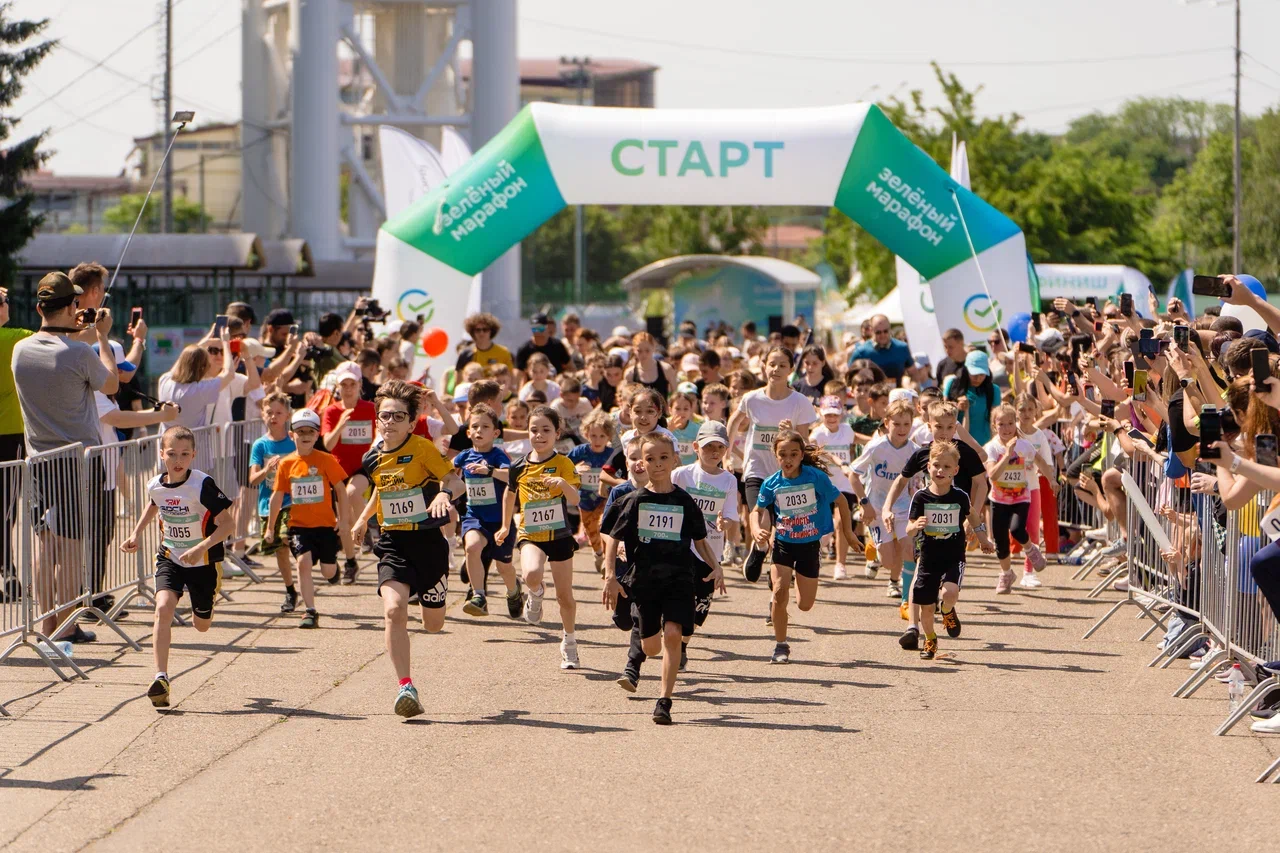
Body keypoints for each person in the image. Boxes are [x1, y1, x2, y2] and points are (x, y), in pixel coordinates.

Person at [12, 272, 120, 645]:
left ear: (40, 307)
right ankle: (66, 625)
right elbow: (111, 382)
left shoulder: (21, 350)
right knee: (72, 546)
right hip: (76, 460)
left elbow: (56, 350)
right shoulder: (79, 352)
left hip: (38, 458)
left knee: (46, 544)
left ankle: (46, 625)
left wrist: (78, 332)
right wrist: (102, 336)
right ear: (73, 306)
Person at [350, 379, 462, 719]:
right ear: (377, 420)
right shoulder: (371, 458)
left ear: (412, 423)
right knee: (394, 611)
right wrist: (362, 520)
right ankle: (405, 686)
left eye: (399, 417)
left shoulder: (424, 448)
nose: (390, 422)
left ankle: (436, 593)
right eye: (385, 416)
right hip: (393, 542)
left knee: (433, 625)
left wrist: (444, 494)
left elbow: (453, 479)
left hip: (427, 543)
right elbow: (382, 491)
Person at [603, 432, 722, 724]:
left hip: (680, 578)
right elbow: (612, 538)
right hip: (645, 582)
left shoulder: (684, 501)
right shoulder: (634, 501)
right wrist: (609, 576)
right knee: (650, 647)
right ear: (642, 463)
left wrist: (716, 566)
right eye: (651, 459)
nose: (657, 464)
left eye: (663, 458)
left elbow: (701, 540)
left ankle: (664, 701)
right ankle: (644, 640)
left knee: (673, 634)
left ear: (674, 460)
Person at [121, 425, 233, 707]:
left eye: (184, 454)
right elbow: (153, 504)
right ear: (162, 454)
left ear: (194, 455)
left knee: (202, 625)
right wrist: (135, 533)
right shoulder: (155, 484)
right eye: (172, 454)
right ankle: (161, 678)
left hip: (204, 561)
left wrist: (201, 547)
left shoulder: (202, 485)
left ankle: (206, 603)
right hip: (170, 557)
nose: (178, 460)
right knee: (162, 608)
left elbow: (227, 524)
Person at [882, 399, 992, 648]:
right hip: (926, 524)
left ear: (956, 427)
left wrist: (972, 520)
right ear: (928, 426)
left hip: (956, 521)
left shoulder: (965, 452)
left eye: (949, 427)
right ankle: (912, 627)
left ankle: (947, 608)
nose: (944, 433)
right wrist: (887, 507)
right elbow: (901, 481)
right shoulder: (923, 454)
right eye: (938, 427)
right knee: (919, 567)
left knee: (948, 584)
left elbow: (982, 484)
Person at [752, 429, 853, 664]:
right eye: (782, 454)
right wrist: (756, 529)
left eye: (793, 454)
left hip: (809, 545)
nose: (788, 460)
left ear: (801, 455)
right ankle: (780, 646)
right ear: (775, 455)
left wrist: (848, 533)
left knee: (805, 605)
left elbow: (841, 501)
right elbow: (756, 511)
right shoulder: (771, 483)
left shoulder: (814, 477)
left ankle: (789, 580)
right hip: (784, 545)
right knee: (779, 593)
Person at [496, 406, 582, 668]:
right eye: (534, 430)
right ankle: (535, 592)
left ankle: (569, 642)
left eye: (546, 430)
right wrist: (505, 526)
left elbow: (576, 499)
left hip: (559, 535)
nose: (539, 435)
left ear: (557, 433)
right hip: (530, 533)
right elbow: (509, 495)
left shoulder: (564, 463)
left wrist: (563, 485)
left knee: (565, 596)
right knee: (531, 573)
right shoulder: (518, 466)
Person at [727, 345, 817, 582]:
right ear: (764, 366)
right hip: (756, 469)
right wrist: (727, 455)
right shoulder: (752, 399)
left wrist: (792, 435)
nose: (776, 369)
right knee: (761, 508)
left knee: (784, 529)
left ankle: (773, 566)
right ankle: (759, 546)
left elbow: (806, 442)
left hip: (787, 474)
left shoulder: (799, 402)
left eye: (782, 365)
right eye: (772, 364)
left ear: (790, 370)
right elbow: (733, 422)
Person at [265, 408, 351, 629]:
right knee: (302, 563)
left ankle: (334, 570)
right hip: (299, 526)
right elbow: (277, 496)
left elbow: (340, 490)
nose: (305, 435)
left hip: (325, 525)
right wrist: (270, 527)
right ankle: (310, 611)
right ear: (292, 434)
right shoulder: (286, 464)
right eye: (300, 431)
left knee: (327, 572)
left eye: (310, 432)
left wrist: (343, 521)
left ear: (317, 435)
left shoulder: (326, 460)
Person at [670, 420, 739, 657]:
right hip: (681, 548)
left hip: (710, 551)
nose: (714, 452)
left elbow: (730, 515)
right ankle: (674, 643)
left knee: (699, 609)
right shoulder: (681, 475)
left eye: (719, 447)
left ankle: (683, 644)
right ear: (696, 447)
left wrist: (724, 524)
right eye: (709, 447)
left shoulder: (729, 480)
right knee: (679, 599)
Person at [904, 441, 974, 660]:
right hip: (928, 558)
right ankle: (930, 640)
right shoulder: (921, 497)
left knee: (949, 593)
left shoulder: (960, 496)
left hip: (953, 556)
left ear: (955, 470)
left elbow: (974, 517)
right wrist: (915, 526)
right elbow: (909, 529)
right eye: (936, 465)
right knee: (925, 607)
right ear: (928, 468)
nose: (940, 470)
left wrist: (983, 538)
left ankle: (947, 610)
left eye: (946, 466)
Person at [453, 403, 522, 619]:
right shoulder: (464, 457)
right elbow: (446, 472)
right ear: (468, 432)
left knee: (504, 568)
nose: (479, 431)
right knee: (472, 547)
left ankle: (513, 592)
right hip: (474, 517)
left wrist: (489, 471)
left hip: (500, 521)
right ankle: (479, 595)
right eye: (475, 427)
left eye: (485, 427)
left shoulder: (497, 455)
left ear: (496, 433)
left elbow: (511, 476)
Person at [852, 400, 919, 602]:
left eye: (906, 424)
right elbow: (854, 476)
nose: (902, 429)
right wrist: (864, 504)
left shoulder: (914, 451)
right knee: (889, 560)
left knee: (907, 549)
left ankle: (905, 597)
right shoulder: (876, 447)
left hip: (903, 507)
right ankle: (874, 546)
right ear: (887, 422)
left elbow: (919, 480)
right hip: (878, 508)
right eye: (896, 424)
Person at [321, 362, 375, 582]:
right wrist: (341, 424)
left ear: (359, 385)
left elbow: (378, 438)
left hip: (364, 465)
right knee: (343, 524)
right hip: (338, 469)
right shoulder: (332, 411)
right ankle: (351, 562)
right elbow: (328, 444)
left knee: (354, 493)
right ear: (338, 386)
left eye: (352, 384)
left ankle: (367, 525)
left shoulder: (370, 409)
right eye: (344, 384)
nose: (348, 389)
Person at [984, 403, 1046, 594]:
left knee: (1017, 529)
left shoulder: (1024, 445)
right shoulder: (991, 448)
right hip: (998, 499)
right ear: (995, 426)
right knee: (1001, 541)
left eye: (1010, 423)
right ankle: (1006, 574)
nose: (1007, 428)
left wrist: (1051, 478)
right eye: (1001, 424)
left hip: (1020, 497)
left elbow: (1039, 459)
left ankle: (1030, 548)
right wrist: (1007, 455)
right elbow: (992, 475)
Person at [248, 393, 298, 613]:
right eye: (269, 412)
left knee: (288, 538)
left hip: (293, 501)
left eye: (278, 413)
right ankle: (290, 589)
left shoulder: (294, 441)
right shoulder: (260, 445)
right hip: (268, 504)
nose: (273, 417)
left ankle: (304, 565)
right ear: (262, 414)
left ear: (287, 415)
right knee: (280, 551)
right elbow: (252, 479)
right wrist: (267, 470)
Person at [0, 285, 32, 599]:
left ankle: (7, 571)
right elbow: (53, 336)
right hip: (9, 433)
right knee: (6, 511)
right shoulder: (13, 338)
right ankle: (8, 573)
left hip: (10, 432)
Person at [810, 395, 857, 579]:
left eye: (835, 414)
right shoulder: (817, 434)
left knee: (841, 522)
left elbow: (858, 439)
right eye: (828, 414)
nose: (831, 418)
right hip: (822, 485)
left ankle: (840, 564)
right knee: (822, 527)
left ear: (841, 414)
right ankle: (819, 550)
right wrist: (839, 461)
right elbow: (821, 451)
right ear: (821, 413)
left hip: (844, 486)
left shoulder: (847, 430)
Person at [567, 410, 616, 575]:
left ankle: (608, 559)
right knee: (591, 531)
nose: (597, 440)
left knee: (603, 525)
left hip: (605, 499)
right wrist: (574, 470)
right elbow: (563, 468)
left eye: (602, 436)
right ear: (586, 433)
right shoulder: (579, 452)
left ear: (608, 436)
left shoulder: (612, 454)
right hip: (585, 500)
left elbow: (620, 473)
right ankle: (598, 553)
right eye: (593, 435)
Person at [159, 334, 237, 428]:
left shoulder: (164, 380)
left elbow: (180, 364)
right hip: (192, 441)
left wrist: (203, 343)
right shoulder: (199, 390)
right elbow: (230, 373)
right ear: (202, 368)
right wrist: (225, 343)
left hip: (166, 440)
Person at [944, 349, 1000, 447]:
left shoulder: (994, 390)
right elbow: (941, 412)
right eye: (974, 374)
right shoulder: (951, 384)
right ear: (966, 370)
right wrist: (956, 407)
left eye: (982, 375)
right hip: (954, 445)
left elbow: (996, 421)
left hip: (984, 446)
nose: (978, 379)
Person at [848, 314, 912, 382]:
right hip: (871, 391)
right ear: (871, 331)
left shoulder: (902, 348)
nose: (882, 335)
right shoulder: (861, 352)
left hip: (898, 390)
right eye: (878, 332)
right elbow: (849, 377)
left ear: (890, 329)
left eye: (885, 331)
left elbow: (914, 374)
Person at [515, 312, 572, 378]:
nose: (537, 332)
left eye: (540, 328)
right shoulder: (524, 349)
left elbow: (570, 368)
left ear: (546, 327)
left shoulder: (557, 346)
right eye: (534, 329)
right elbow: (519, 375)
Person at [626, 332, 677, 398]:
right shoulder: (630, 374)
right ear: (634, 350)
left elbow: (675, 394)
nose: (644, 354)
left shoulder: (666, 369)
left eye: (647, 350)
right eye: (639, 351)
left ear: (653, 348)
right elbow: (628, 398)